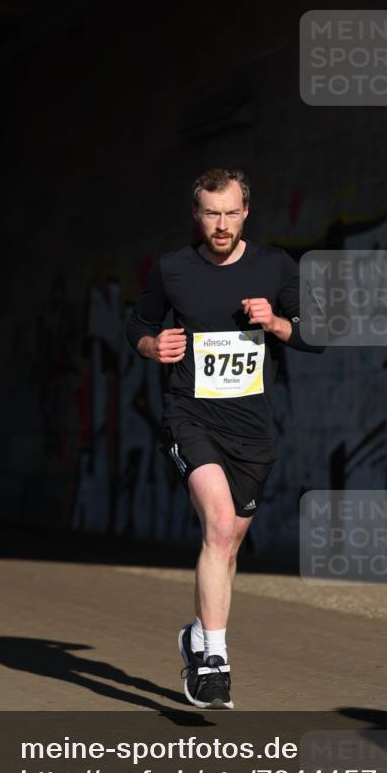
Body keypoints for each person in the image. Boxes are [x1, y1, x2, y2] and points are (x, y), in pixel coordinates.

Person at [125, 168, 325, 709]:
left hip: (252, 430)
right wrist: (152, 346)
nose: (221, 224)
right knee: (216, 524)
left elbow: (318, 333)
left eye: (231, 212)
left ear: (246, 213)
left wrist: (278, 323)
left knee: (230, 541)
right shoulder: (173, 269)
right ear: (196, 215)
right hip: (190, 416)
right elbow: (138, 324)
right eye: (211, 213)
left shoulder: (275, 265)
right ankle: (214, 659)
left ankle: (196, 635)